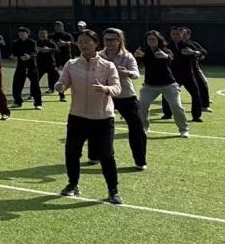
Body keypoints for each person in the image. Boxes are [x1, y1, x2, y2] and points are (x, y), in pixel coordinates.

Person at [55, 30, 123, 204]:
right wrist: (60, 85)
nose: (83, 44)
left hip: (103, 118)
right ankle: (72, 185)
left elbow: (117, 88)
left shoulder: (108, 66)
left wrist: (106, 89)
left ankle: (113, 191)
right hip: (77, 116)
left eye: (87, 41)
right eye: (80, 41)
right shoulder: (71, 64)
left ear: (96, 43)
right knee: (72, 153)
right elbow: (64, 81)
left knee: (106, 155)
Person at [98, 28, 145, 169]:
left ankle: (140, 161)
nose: (109, 43)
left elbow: (136, 74)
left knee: (137, 128)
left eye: (112, 40)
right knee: (100, 128)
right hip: (105, 95)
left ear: (119, 40)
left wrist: (126, 72)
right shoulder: (98, 56)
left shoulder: (127, 56)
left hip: (126, 96)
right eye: (106, 40)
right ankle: (99, 156)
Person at [134, 31, 188, 137]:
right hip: (149, 86)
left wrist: (165, 56)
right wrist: (136, 56)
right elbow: (136, 64)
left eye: (153, 39)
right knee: (142, 106)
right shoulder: (143, 51)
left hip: (169, 85)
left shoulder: (165, 50)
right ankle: (144, 128)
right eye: (149, 39)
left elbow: (170, 58)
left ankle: (183, 129)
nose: (151, 41)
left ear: (158, 40)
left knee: (176, 106)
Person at [10, 27, 41, 109]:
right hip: (20, 66)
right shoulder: (16, 43)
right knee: (17, 84)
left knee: (35, 85)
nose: (22, 35)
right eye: (20, 34)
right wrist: (15, 56)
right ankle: (17, 102)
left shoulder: (32, 42)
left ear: (27, 34)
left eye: (23, 33)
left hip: (31, 66)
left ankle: (38, 103)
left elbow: (35, 52)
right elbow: (13, 53)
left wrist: (29, 56)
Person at [50, 21, 75, 102]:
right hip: (55, 58)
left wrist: (65, 43)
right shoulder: (51, 36)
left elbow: (72, 43)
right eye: (56, 26)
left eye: (59, 26)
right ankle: (57, 91)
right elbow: (49, 45)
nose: (58, 28)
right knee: (58, 76)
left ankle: (63, 94)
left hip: (66, 58)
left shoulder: (67, 35)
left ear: (62, 27)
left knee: (67, 76)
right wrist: (55, 45)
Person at [35, 29, 59, 93]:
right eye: (40, 34)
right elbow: (32, 50)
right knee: (36, 78)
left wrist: (49, 49)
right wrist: (38, 49)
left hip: (50, 62)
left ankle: (52, 89)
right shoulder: (36, 43)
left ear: (47, 34)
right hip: (40, 63)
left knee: (55, 76)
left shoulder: (50, 42)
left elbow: (57, 50)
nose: (41, 35)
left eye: (43, 34)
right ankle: (33, 91)